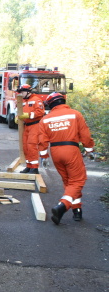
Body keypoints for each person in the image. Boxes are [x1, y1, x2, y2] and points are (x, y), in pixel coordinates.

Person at [38, 92, 95, 225]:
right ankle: (62, 206)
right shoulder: (75, 114)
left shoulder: (45, 119)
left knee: (69, 182)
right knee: (78, 180)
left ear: (50, 105)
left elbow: (42, 141)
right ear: (63, 100)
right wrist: (89, 149)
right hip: (71, 149)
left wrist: (44, 156)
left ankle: (77, 211)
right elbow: (85, 134)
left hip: (55, 152)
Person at [15, 84, 46, 174]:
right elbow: (20, 112)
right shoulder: (23, 101)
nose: (20, 94)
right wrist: (17, 118)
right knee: (25, 146)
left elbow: (40, 112)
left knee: (32, 146)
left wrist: (28, 115)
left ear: (28, 92)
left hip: (35, 125)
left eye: (22, 92)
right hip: (26, 126)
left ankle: (34, 168)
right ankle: (29, 166)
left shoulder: (36, 100)